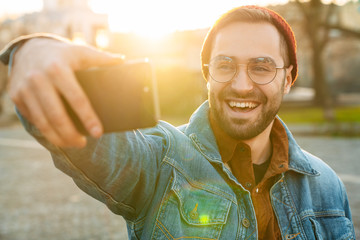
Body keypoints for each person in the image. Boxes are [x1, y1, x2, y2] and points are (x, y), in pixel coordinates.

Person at [0, 5, 355, 240]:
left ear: (289, 77)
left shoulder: (327, 185)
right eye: (225, 65)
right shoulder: (160, 161)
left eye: (261, 66)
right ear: (207, 74)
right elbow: (93, 142)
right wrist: (33, 50)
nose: (242, 84)